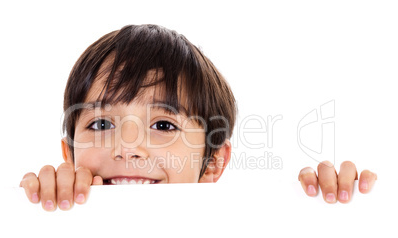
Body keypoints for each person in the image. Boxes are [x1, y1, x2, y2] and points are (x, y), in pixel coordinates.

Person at [19, 24, 377, 211]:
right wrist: (35, 212)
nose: (127, 149)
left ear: (212, 164)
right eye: (101, 124)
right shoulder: (51, 219)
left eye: (163, 125)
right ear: (69, 156)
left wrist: (331, 207)